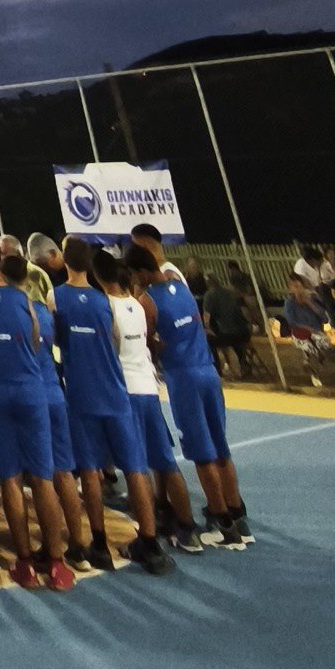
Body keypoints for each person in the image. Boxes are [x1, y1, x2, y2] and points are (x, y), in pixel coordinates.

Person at [0, 237, 77, 589]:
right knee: (42, 477)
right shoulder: (23, 299)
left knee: (10, 478)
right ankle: (56, 563)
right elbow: (36, 340)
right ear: (0, 259)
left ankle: (24, 562)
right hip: (29, 388)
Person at [53, 237, 171, 575]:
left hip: (82, 394)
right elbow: (116, 338)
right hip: (116, 392)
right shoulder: (106, 301)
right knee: (135, 468)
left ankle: (100, 543)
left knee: (90, 471)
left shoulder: (56, 297)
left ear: (65, 261)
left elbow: (57, 339)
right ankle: (149, 541)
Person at [128, 243, 251, 546]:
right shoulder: (182, 288)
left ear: (140, 272)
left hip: (184, 378)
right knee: (220, 447)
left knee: (201, 452)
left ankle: (223, 525)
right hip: (208, 370)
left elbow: (146, 343)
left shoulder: (147, 301)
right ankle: (236, 514)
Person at [93, 249, 202, 553]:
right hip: (149, 388)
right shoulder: (138, 305)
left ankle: (147, 537)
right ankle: (187, 529)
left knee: (136, 467)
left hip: (126, 392)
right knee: (166, 462)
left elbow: (108, 351)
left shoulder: (106, 308)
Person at [2, 252, 92, 571]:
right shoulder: (46, 313)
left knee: (37, 478)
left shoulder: (13, 312)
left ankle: (46, 549)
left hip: (32, 397)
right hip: (55, 393)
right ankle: (79, 545)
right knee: (63, 472)